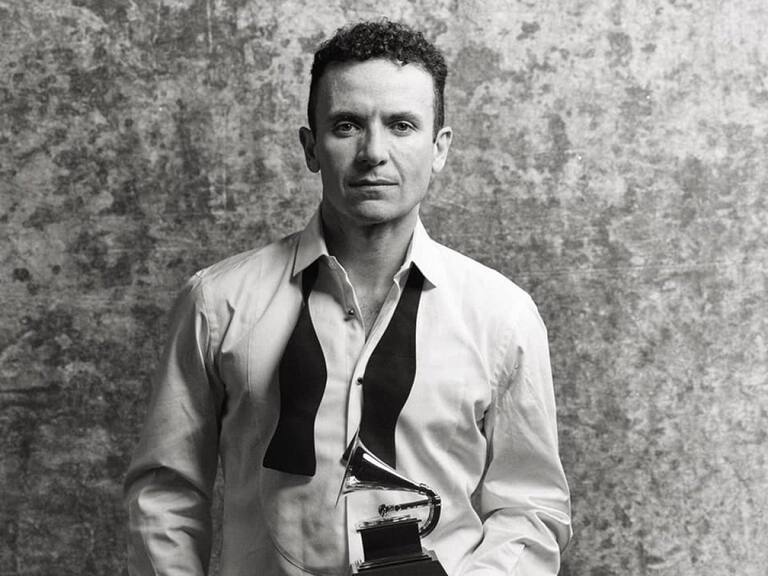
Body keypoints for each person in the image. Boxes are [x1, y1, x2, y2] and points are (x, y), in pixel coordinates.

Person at [124, 19, 571, 576]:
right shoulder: (217, 303)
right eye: (347, 126)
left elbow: (530, 509)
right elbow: (166, 493)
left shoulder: (502, 316)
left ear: (439, 148)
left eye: (402, 125)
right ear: (311, 147)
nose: (373, 152)